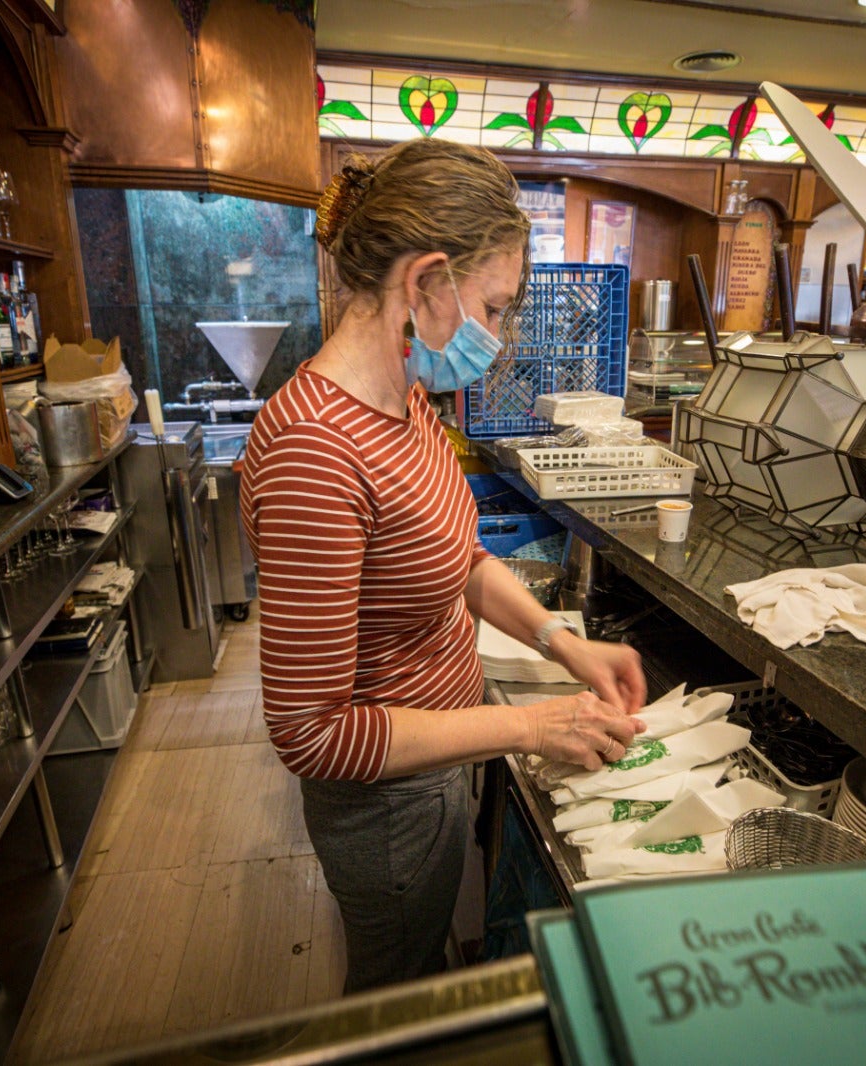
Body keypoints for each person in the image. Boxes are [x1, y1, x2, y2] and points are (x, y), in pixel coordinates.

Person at [238, 139, 647, 994]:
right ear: (426, 281)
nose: (495, 340)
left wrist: (561, 646)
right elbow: (311, 732)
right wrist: (533, 728)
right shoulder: (317, 449)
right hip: (387, 802)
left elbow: (455, 556)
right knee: (394, 997)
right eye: (493, 309)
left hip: (436, 764)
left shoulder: (406, 400)